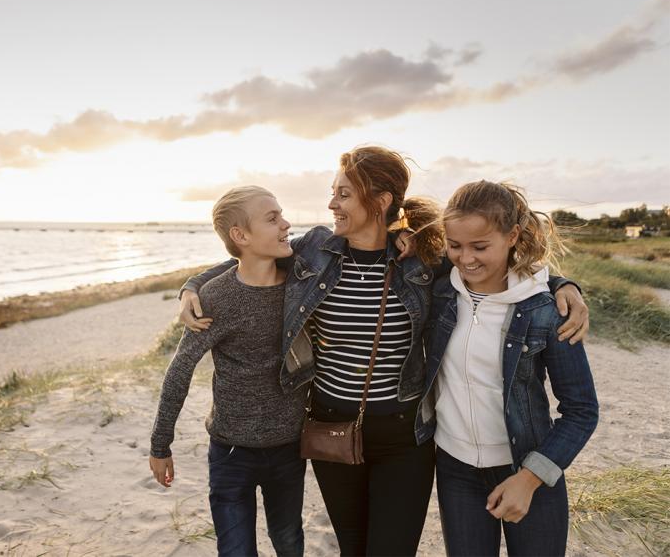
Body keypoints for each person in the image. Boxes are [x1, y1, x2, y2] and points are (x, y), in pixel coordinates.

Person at [179, 145, 590, 556]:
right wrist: (193, 285)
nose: (331, 203)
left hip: (403, 438)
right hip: (331, 430)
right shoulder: (315, 251)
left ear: (380, 202)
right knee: (353, 549)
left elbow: (501, 267)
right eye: (333, 192)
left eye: (343, 194)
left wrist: (560, 284)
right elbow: (250, 259)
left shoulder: (423, 259)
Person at [415, 181, 599, 556]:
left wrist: (530, 479)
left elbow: (581, 411)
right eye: (455, 245)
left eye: (480, 247)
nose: (465, 259)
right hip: (456, 470)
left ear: (512, 235)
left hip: (529, 467)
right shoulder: (440, 291)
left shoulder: (546, 311)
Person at [149, 185, 308, 557]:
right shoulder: (217, 298)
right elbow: (180, 371)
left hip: (289, 449)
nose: (286, 224)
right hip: (231, 452)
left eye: (282, 214)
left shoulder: (302, 283)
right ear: (240, 235)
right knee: (235, 551)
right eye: (272, 218)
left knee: (288, 542)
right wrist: (160, 444)